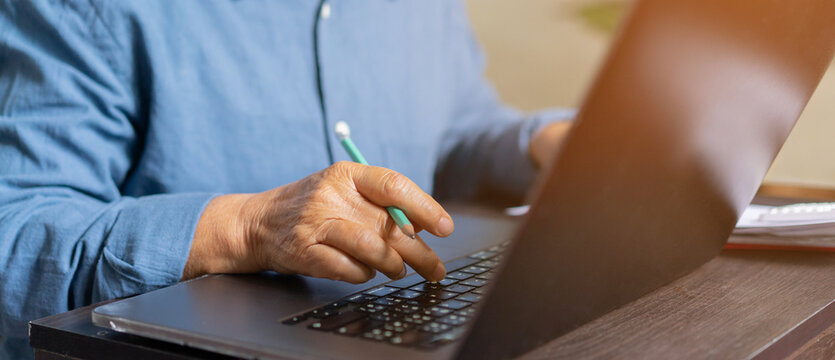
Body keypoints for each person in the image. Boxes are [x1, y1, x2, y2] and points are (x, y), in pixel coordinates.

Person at [0, 1, 573, 358]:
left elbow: (451, 134)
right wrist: (248, 226)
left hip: (396, 323)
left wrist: (541, 146)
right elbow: (14, 227)